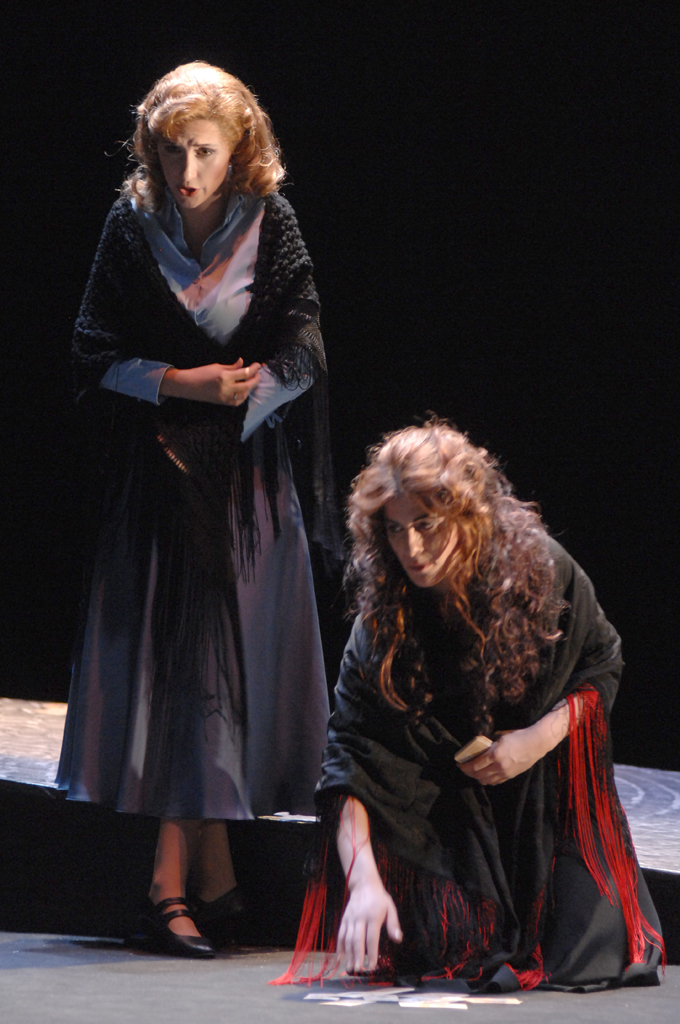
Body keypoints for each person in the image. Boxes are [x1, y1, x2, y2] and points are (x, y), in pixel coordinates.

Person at [57, 61, 339, 958]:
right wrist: (185, 384)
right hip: (159, 480)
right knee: (180, 672)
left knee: (220, 671)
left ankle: (208, 879)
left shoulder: (270, 222)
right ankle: (170, 889)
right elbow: (91, 352)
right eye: (174, 151)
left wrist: (242, 400)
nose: (188, 171)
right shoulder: (132, 223)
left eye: (206, 152)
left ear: (239, 150)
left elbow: (304, 343)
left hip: (246, 487)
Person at [276, 421, 664, 991]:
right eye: (396, 529)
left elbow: (601, 665)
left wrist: (533, 742)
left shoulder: (541, 572)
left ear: (466, 514)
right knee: (452, 948)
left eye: (426, 525)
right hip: (447, 811)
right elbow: (350, 754)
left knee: (580, 949)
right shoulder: (384, 620)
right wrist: (363, 881)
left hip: (540, 795)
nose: (411, 548)